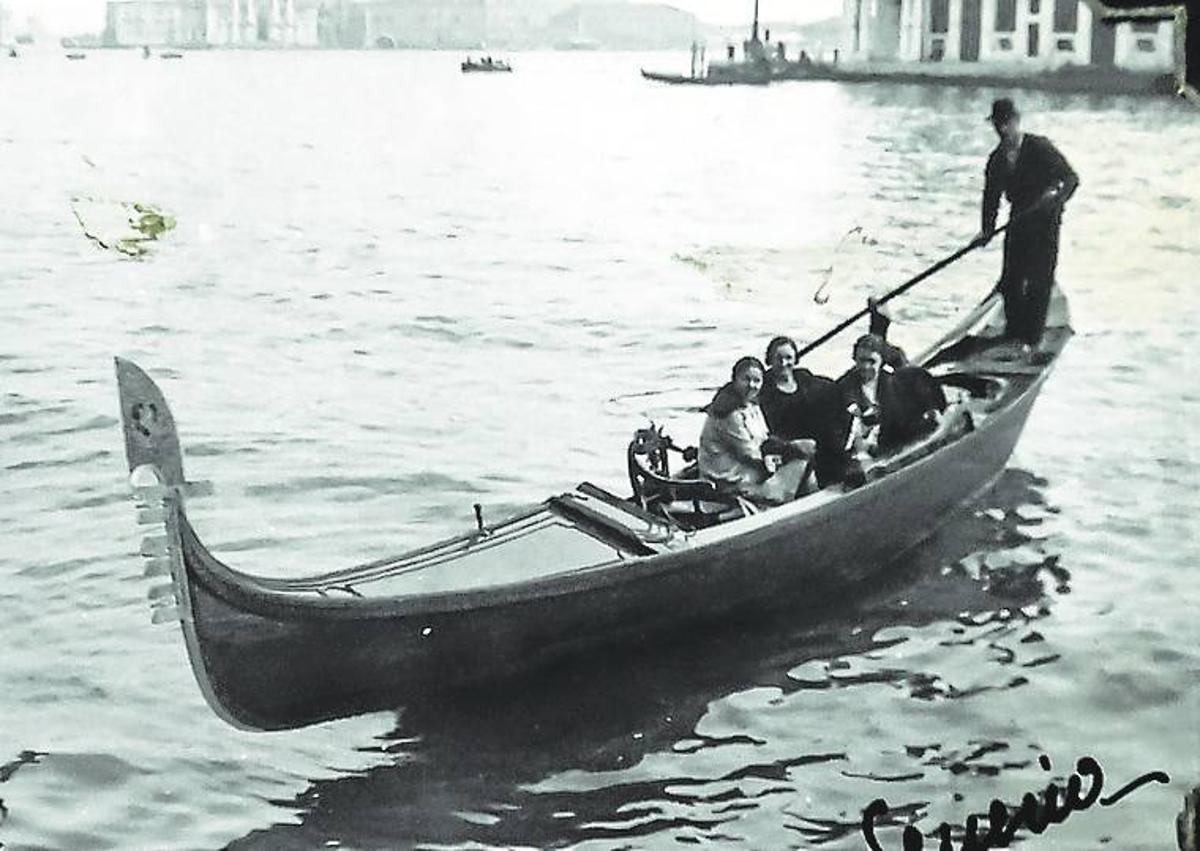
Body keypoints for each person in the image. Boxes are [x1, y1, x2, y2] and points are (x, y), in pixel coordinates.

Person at [973, 98, 1079, 355]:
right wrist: (986, 230)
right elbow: (991, 198)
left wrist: (1055, 197)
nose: (1002, 130)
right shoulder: (996, 159)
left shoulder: (1040, 148)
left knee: (1039, 281)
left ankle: (1031, 339)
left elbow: (1071, 179)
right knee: (1010, 280)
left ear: (1016, 122)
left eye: (1006, 124)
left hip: (1045, 221)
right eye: (997, 125)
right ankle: (1013, 333)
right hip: (1018, 219)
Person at [698, 356, 816, 505]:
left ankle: (807, 501)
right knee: (801, 461)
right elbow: (750, 454)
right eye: (746, 379)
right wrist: (789, 452)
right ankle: (782, 501)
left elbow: (764, 439)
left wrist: (790, 446)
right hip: (730, 479)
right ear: (734, 380)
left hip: (745, 468)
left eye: (757, 381)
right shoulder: (729, 413)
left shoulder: (751, 405)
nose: (752, 385)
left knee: (804, 455)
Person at [759, 336, 850, 487]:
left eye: (788, 358)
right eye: (778, 358)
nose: (783, 363)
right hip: (787, 448)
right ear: (769, 360)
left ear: (795, 359)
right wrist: (793, 445)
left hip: (813, 443)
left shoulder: (804, 380)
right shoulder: (764, 391)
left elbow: (833, 388)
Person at [836, 334, 946, 457]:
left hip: (904, 429)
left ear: (881, 361)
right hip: (876, 444)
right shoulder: (846, 387)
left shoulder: (894, 382)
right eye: (861, 360)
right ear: (855, 359)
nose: (865, 366)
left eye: (871, 361)